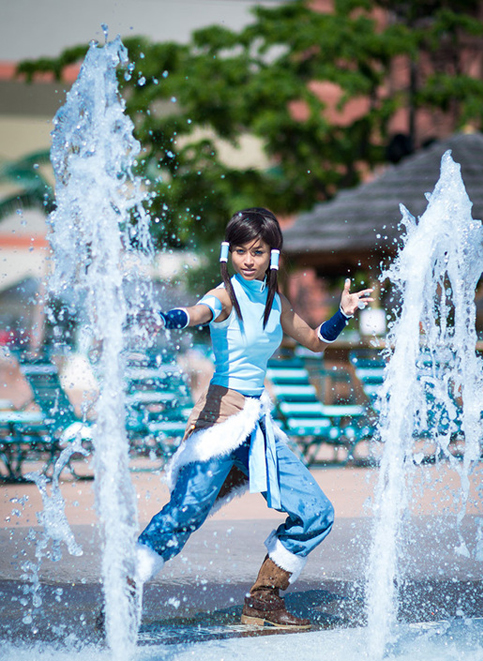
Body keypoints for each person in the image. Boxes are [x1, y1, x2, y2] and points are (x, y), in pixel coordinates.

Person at [136, 207, 373, 629]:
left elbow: (316, 342)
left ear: (272, 256)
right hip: (220, 420)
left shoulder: (275, 301)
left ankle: (264, 598)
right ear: (230, 253)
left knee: (317, 512)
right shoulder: (225, 295)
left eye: (258, 251)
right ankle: (122, 589)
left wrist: (343, 313)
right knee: (186, 512)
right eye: (242, 250)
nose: (249, 259)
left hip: (257, 424)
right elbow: (199, 312)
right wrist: (170, 318)